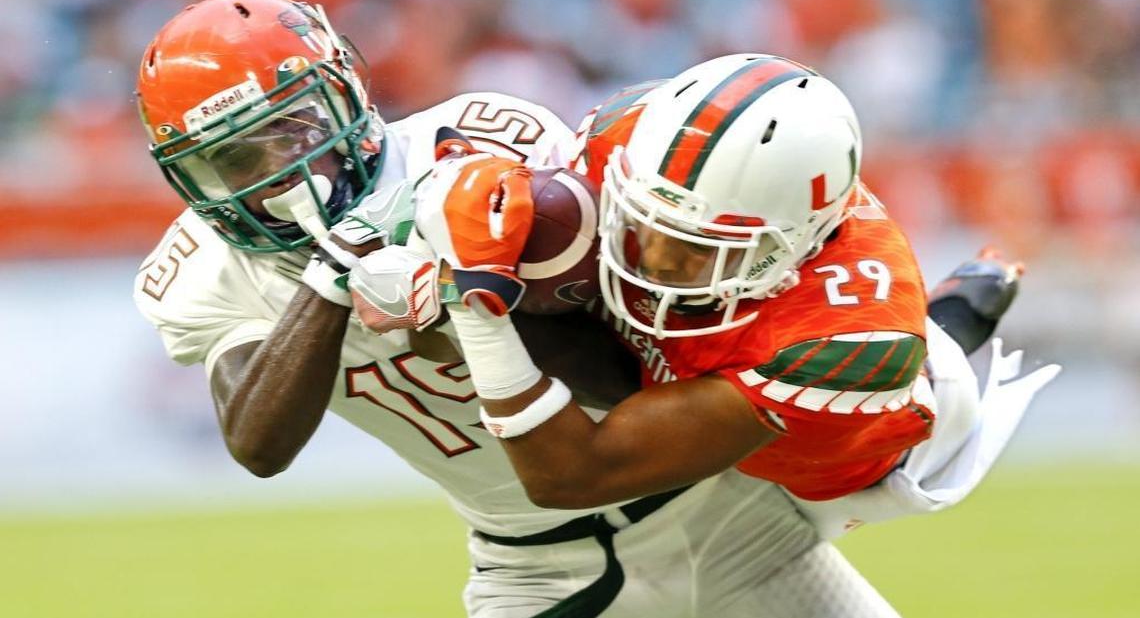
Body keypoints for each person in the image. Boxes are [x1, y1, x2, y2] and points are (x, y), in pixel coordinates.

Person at [134, 0, 920, 618]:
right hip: (533, 566)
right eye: (230, 158)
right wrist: (334, 272)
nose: (277, 169)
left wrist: (474, 297)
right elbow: (259, 443)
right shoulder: (203, 269)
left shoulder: (475, 142)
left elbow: (623, 367)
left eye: (292, 126)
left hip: (727, 516)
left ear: (341, 93)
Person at [390, 53, 1060, 611]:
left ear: (793, 246)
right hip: (713, 374)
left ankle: (959, 313)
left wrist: (472, 299)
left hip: (839, 459)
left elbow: (577, 471)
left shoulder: (847, 337)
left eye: (699, 249)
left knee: (936, 384)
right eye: (643, 222)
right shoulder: (627, 131)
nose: (652, 261)